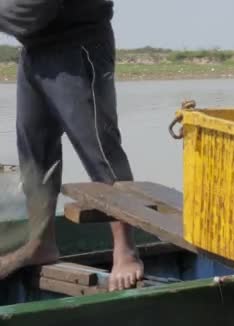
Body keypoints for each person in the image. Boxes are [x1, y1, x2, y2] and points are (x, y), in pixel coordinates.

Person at [0, 0, 144, 291]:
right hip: (35, 50)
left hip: (78, 45)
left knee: (99, 148)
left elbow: (32, 10)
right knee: (34, 153)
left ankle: (126, 250)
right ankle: (41, 242)